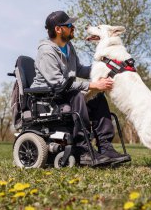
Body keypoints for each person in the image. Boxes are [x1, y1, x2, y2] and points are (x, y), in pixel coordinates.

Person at [31, 10, 130, 165]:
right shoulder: (46, 51)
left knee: (97, 97)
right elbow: (58, 83)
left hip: (65, 92)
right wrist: (93, 84)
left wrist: (106, 68)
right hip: (48, 98)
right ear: (58, 29)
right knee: (79, 95)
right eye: (69, 25)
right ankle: (83, 150)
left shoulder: (68, 46)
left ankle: (105, 147)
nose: (73, 27)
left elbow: (80, 70)